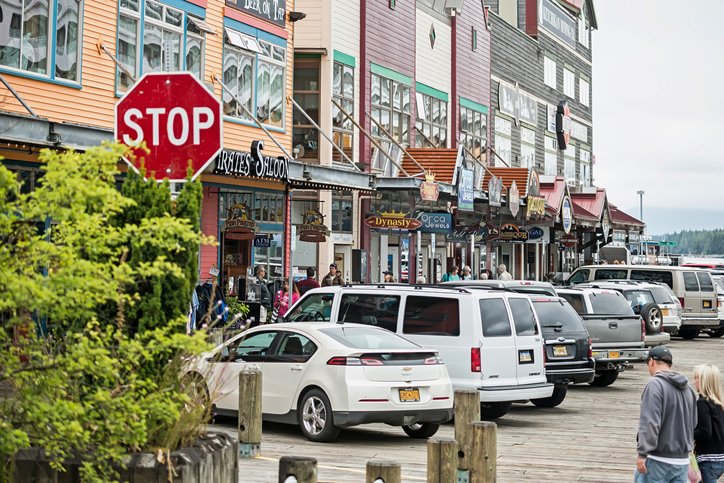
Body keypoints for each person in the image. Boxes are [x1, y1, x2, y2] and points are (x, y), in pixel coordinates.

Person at [635, 346, 698, 483]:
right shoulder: (688, 389)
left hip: (657, 460)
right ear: (671, 365)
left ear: (651, 361)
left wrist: (642, 453)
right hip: (682, 461)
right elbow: (693, 423)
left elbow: (650, 423)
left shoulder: (655, 385)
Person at [693, 364, 724, 483]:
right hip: (720, 459)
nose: (694, 381)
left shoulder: (702, 403)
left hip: (709, 460)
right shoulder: (719, 403)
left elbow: (705, 432)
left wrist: (686, 434)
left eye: (696, 378)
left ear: (703, 381)